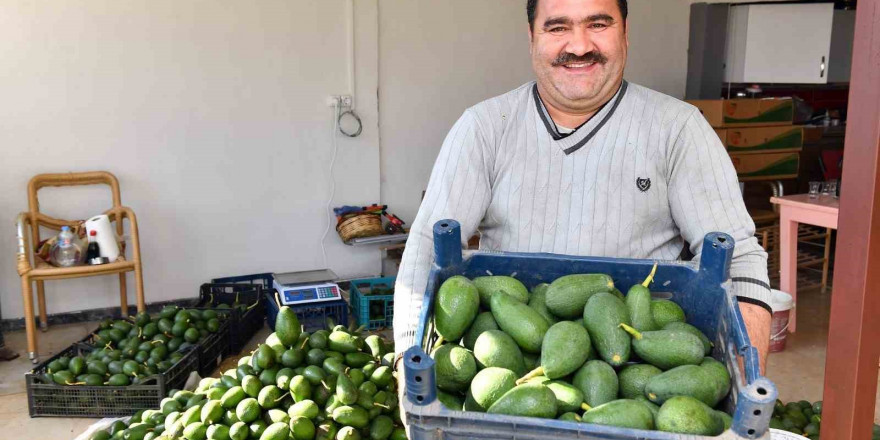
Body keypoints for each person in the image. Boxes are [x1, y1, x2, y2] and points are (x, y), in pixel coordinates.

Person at [393, 0, 772, 372]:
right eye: (558, 27)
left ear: (625, 33)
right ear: (532, 38)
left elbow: (736, 258)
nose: (579, 46)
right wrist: (405, 361)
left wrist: (745, 378)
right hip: (514, 368)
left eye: (598, 24)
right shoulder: (484, 128)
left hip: (641, 369)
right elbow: (428, 245)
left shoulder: (679, 129)